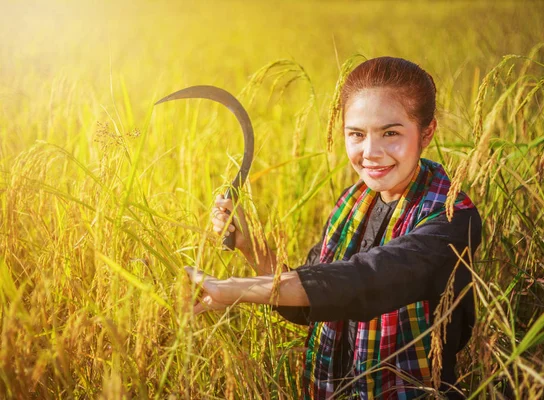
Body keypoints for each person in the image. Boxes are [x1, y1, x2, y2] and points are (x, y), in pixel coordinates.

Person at [187, 57, 482, 399]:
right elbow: (307, 301)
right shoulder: (353, 205)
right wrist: (249, 245)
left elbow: (367, 280)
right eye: (357, 134)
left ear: (426, 132)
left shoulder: (452, 217)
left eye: (391, 133)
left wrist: (235, 288)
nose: (371, 152)